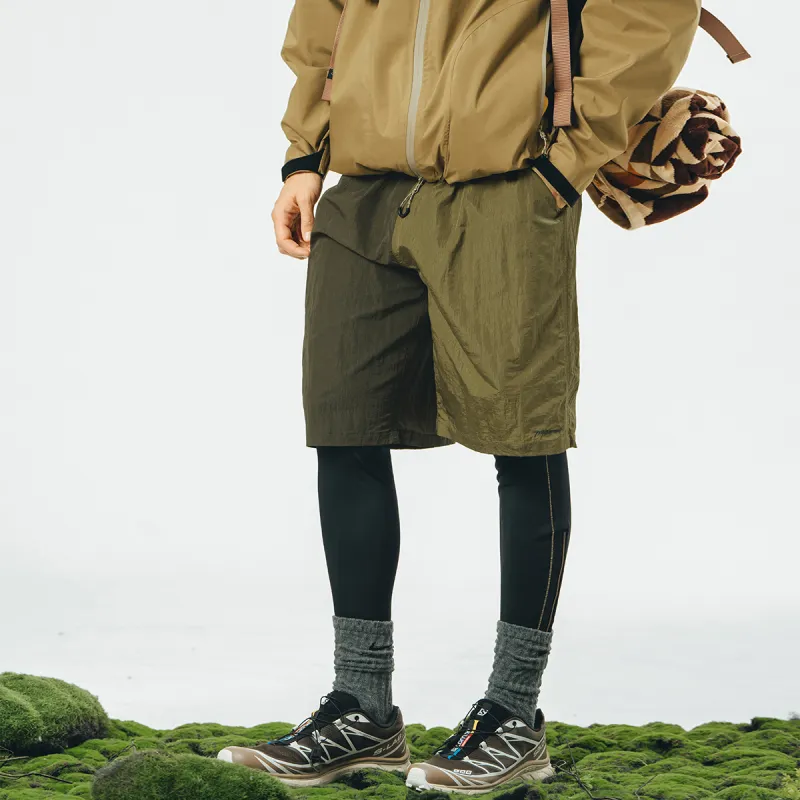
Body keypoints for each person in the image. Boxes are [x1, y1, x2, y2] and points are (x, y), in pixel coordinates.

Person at [218, 0, 701, 792]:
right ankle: (361, 710)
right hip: (364, 186)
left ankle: (513, 715)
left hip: (509, 187)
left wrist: (566, 162)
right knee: (344, 425)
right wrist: (306, 154)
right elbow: (323, 17)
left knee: (524, 436)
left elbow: (649, 12)